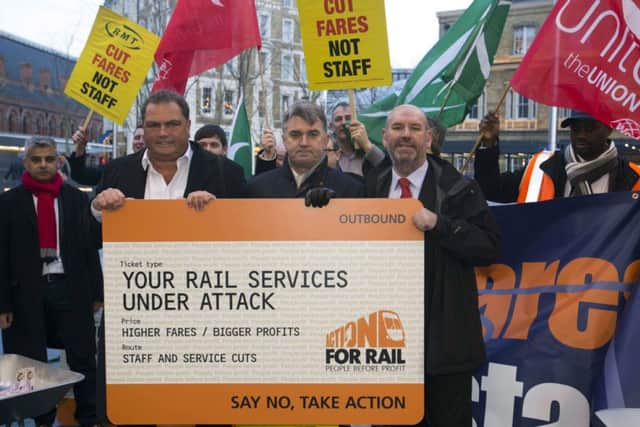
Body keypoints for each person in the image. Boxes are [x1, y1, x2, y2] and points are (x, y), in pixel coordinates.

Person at [89, 90, 246, 425]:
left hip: (206, 324)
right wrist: (99, 209)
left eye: (172, 124)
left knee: (202, 413)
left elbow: (251, 244)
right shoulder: (117, 172)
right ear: (142, 128)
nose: (163, 132)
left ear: (188, 125)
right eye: (153, 124)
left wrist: (221, 215)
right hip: (136, 324)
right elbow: (85, 238)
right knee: (135, 412)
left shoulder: (226, 173)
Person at [365, 105, 500, 427]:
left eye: (414, 128)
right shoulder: (368, 187)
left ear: (429, 138)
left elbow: (488, 248)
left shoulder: (459, 188)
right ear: (385, 137)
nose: (406, 135)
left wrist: (440, 224)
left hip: (445, 345)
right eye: (398, 128)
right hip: (386, 345)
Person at [0, 137, 103, 427]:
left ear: (59, 161)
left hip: (71, 288)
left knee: (83, 356)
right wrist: (2, 303)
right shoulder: (8, 202)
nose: (43, 164)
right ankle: (42, 418)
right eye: (37, 159)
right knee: (30, 361)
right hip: (25, 294)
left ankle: (89, 416)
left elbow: (88, 249)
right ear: (26, 163)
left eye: (49, 159)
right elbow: (2, 255)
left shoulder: (75, 198)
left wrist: (97, 291)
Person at [473, 110, 640, 203]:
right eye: (575, 129)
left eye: (590, 128)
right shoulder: (542, 166)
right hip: (546, 263)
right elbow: (491, 189)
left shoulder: (634, 177)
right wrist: (488, 144)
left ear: (608, 129)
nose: (581, 135)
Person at [248, 100, 363, 204]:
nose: (304, 143)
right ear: (284, 140)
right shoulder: (257, 189)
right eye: (295, 135)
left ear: (325, 140)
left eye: (313, 134)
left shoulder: (351, 190)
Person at [67, 124, 146, 186]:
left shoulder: (157, 170)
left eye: (145, 138)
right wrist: (80, 148)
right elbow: (81, 175)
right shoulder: (117, 168)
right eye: (137, 137)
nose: (141, 141)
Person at [330, 101, 385, 177]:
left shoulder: (368, 150)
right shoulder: (327, 153)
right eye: (338, 119)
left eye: (348, 118)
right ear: (331, 126)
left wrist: (367, 145)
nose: (343, 122)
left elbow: (386, 167)